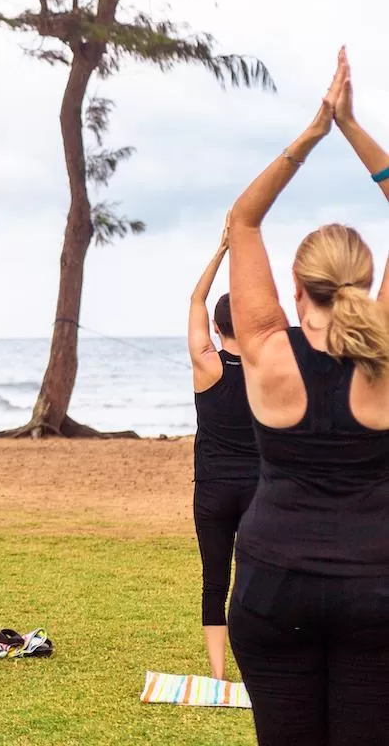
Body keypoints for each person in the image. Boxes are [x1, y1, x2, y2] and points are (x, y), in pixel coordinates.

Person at [226, 47, 389, 745]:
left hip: (271, 588)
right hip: (374, 591)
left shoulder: (264, 346)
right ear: (368, 280)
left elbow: (242, 221)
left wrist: (313, 133)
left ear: (295, 290)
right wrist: (354, 129)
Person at [186, 211, 258, 681]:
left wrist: (224, 249)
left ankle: (217, 674)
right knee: (256, 580)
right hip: (260, 489)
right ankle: (262, 667)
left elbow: (196, 298)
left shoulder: (206, 364)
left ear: (216, 329)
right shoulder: (268, 369)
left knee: (217, 581)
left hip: (212, 490)